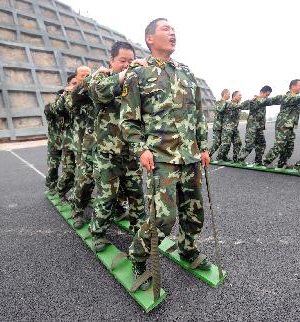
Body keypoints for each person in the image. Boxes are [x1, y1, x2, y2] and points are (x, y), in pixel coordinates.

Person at [121, 18, 211, 291]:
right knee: (163, 217)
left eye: (174, 29)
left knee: (194, 211)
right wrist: (141, 149)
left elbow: (197, 114)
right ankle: (138, 255)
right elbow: (129, 120)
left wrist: (204, 146)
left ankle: (188, 248)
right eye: (165, 29)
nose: (172, 33)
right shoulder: (139, 73)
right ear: (150, 39)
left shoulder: (185, 72)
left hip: (190, 155)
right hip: (161, 157)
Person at [86, 41, 146, 250]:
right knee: (107, 197)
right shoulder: (101, 78)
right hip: (107, 154)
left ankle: (141, 234)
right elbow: (97, 92)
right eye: (123, 61)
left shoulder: (136, 82)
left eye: (131, 61)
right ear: (111, 61)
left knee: (136, 196)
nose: (127, 65)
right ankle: (98, 233)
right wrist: (126, 74)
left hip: (131, 153)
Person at [67, 66, 96, 227]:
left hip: (98, 142)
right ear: (76, 78)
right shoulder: (74, 94)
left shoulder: (94, 90)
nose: (86, 77)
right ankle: (77, 210)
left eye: (88, 75)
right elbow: (71, 103)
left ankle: (117, 209)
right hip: (81, 144)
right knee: (84, 178)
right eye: (82, 75)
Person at [237, 86, 282, 164]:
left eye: (268, 95)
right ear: (261, 92)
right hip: (252, 127)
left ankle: (258, 160)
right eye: (266, 95)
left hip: (259, 127)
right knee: (249, 144)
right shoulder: (255, 100)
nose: (267, 97)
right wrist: (249, 101)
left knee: (262, 143)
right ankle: (240, 159)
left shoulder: (263, 101)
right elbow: (241, 106)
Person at [52, 74, 79, 202]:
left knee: (84, 173)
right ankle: (60, 192)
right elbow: (58, 110)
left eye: (77, 83)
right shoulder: (63, 97)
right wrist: (65, 96)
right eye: (73, 83)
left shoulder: (83, 94)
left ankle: (80, 197)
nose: (75, 85)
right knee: (69, 171)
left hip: (83, 141)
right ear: (68, 85)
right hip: (69, 141)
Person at [216, 91, 243, 161]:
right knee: (226, 144)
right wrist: (250, 101)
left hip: (234, 128)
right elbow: (241, 106)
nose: (241, 96)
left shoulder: (237, 104)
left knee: (238, 143)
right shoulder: (229, 103)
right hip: (227, 127)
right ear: (234, 96)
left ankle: (235, 158)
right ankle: (220, 157)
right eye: (239, 95)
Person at [44, 98, 63, 194]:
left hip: (66, 144)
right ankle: (51, 186)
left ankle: (63, 187)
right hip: (54, 144)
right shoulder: (51, 108)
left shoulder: (66, 109)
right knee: (53, 167)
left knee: (69, 169)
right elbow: (47, 111)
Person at [209, 89, 230, 157]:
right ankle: (208, 155)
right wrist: (225, 102)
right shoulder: (219, 102)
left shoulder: (226, 103)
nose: (229, 95)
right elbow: (220, 109)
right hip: (218, 127)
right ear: (225, 94)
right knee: (216, 143)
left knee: (224, 143)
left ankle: (221, 156)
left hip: (224, 127)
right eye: (228, 94)